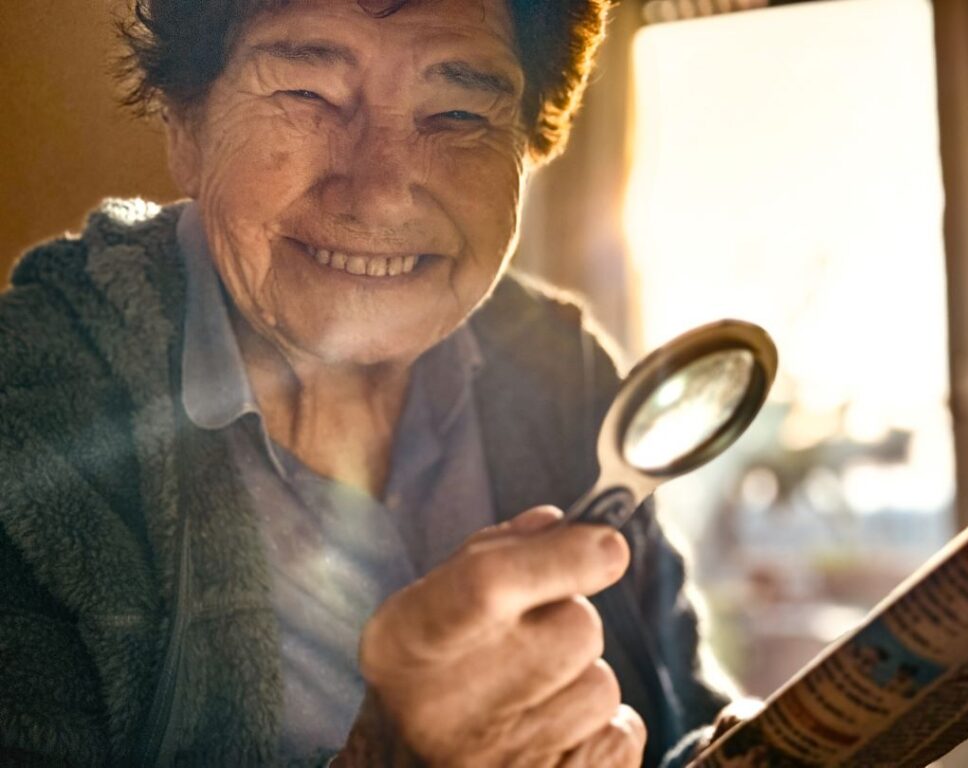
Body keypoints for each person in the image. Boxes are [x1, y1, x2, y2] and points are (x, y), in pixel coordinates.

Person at [0, 0, 734, 765]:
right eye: (307, 95)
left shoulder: (562, 373)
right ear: (185, 125)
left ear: (529, 145)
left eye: (456, 113)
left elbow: (682, 707)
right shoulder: (25, 421)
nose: (381, 191)